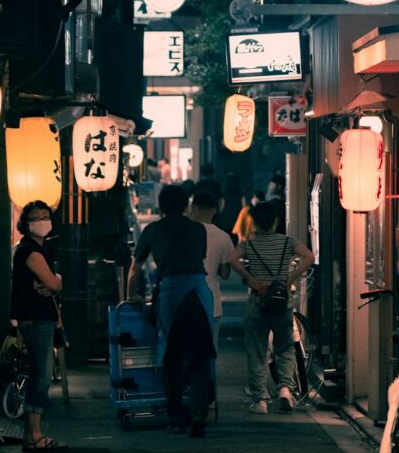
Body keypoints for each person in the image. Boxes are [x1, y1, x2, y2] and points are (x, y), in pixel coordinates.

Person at [126, 185, 215, 437]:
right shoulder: (198, 229)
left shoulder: (152, 230)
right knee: (199, 358)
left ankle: (176, 417)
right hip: (199, 291)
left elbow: (135, 267)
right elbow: (199, 257)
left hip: (172, 293)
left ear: (161, 205)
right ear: (186, 205)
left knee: (172, 358)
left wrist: (131, 294)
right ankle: (199, 414)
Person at [229, 200, 314, 414]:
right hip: (282, 302)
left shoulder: (250, 244)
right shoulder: (287, 242)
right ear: (276, 221)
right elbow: (309, 257)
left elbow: (231, 259)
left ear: (255, 222)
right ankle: (285, 389)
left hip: (259, 302)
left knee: (257, 351)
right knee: (285, 348)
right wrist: (290, 277)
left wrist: (252, 280)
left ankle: (261, 401)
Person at [10, 200, 66, 452]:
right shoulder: (31, 251)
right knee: (41, 376)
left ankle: (32, 435)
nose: (42, 220)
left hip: (36, 318)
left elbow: (53, 283)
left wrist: (55, 280)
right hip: (37, 319)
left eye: (46, 216)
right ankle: (34, 435)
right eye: (36, 217)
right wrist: (56, 281)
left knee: (40, 374)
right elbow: (54, 286)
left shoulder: (37, 250)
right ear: (26, 223)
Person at [190, 191, 235, 350]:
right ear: (215, 210)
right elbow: (225, 273)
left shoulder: (185, 233)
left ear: (192, 207)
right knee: (210, 349)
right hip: (211, 299)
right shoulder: (224, 237)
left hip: (185, 298)